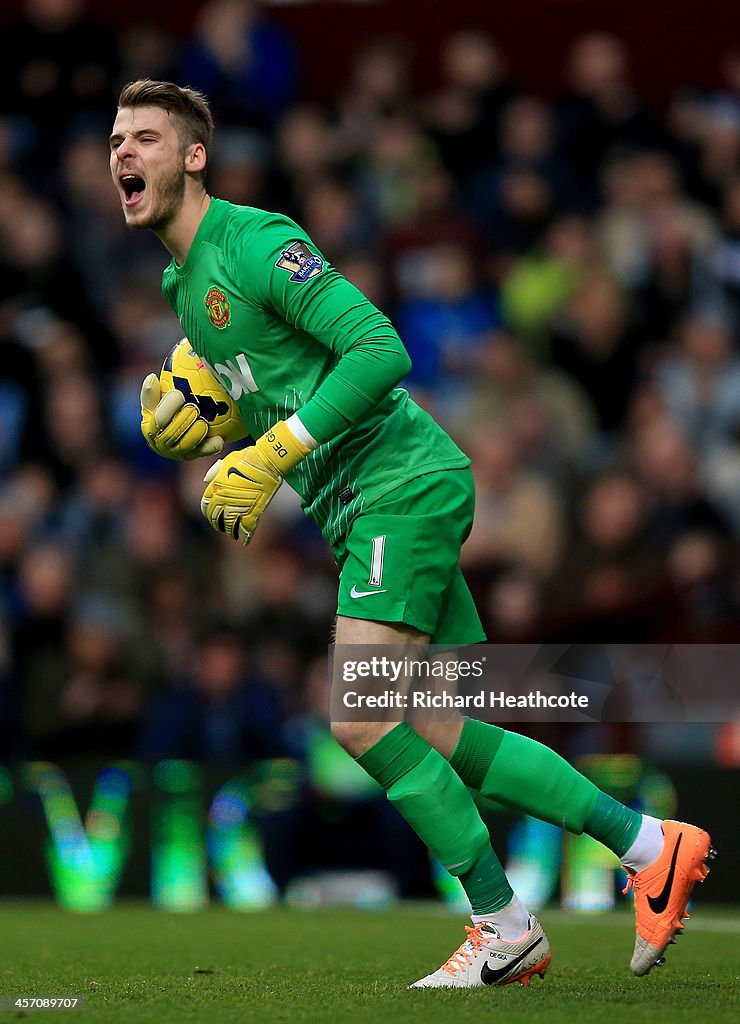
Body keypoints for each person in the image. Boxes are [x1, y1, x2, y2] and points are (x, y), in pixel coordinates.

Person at [109, 79, 714, 988]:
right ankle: (649, 843)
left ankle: (505, 926)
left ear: (194, 157)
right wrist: (221, 426)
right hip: (363, 504)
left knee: (358, 716)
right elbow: (286, 384)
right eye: (116, 139)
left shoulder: (257, 241)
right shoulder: (181, 284)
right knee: (438, 728)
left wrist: (271, 450)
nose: (123, 152)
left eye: (146, 138)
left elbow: (380, 350)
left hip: (403, 484)